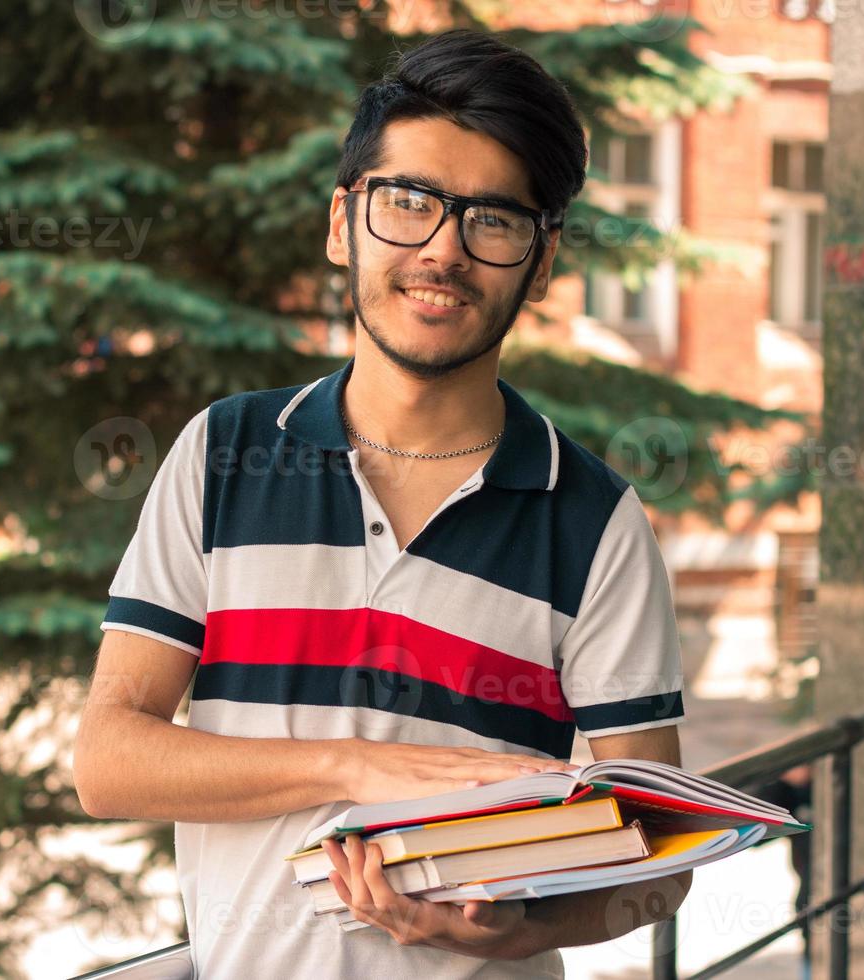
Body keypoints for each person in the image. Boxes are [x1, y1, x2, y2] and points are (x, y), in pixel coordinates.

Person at [73, 28, 691, 979]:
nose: (443, 251)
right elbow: (109, 761)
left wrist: (519, 930)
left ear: (543, 259)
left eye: (492, 218)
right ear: (341, 222)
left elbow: (658, 850)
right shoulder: (225, 454)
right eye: (409, 202)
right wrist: (355, 766)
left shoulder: (595, 522)